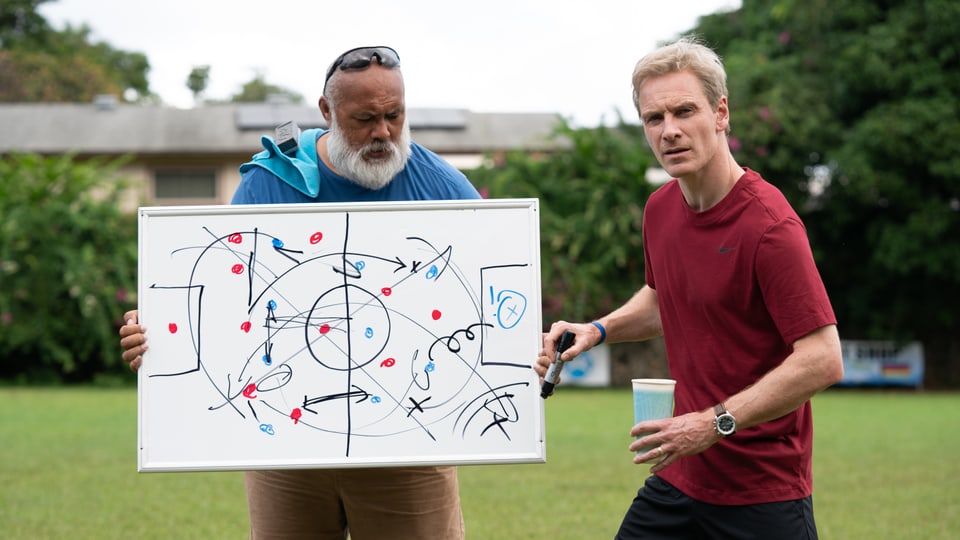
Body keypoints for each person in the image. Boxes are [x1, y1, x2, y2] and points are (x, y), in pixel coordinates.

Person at [120, 45, 479, 540]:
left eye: (394, 115)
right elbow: (220, 293)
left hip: (408, 448)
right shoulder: (270, 182)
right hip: (284, 446)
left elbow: (483, 294)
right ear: (326, 112)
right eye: (364, 118)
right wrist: (158, 329)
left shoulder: (443, 187)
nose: (383, 133)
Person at [536, 37, 844, 539]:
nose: (670, 131)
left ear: (721, 113)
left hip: (761, 493)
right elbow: (663, 300)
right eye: (654, 119)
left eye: (684, 111)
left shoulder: (770, 227)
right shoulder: (660, 208)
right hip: (679, 476)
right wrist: (596, 329)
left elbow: (823, 357)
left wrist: (712, 423)